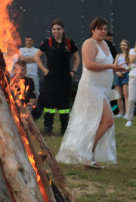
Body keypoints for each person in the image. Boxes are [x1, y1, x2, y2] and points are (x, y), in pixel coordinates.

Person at [56, 18, 125, 169]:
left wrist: (118, 69)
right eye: (99, 28)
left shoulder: (105, 44)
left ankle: (89, 156)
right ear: (92, 30)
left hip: (103, 88)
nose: (102, 31)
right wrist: (111, 66)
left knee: (97, 122)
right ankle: (87, 154)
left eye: (105, 29)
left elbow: (107, 66)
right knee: (107, 120)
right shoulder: (89, 43)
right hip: (91, 87)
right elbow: (89, 64)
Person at [36, 19, 80, 136]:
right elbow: (37, 56)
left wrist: (73, 71)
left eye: (58, 29)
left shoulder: (70, 43)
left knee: (64, 105)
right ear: (52, 30)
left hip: (65, 77)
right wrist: (44, 70)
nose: (56, 31)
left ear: (63, 29)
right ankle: (48, 128)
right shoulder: (48, 42)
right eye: (54, 29)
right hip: (51, 78)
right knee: (49, 104)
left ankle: (64, 129)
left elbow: (77, 58)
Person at [114, 39, 130, 118]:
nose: (123, 46)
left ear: (127, 46)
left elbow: (132, 66)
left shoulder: (130, 55)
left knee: (126, 95)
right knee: (118, 96)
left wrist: (123, 72)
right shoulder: (118, 55)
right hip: (118, 75)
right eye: (121, 45)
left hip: (126, 75)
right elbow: (114, 66)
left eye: (124, 45)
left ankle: (127, 113)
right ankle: (121, 112)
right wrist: (117, 72)